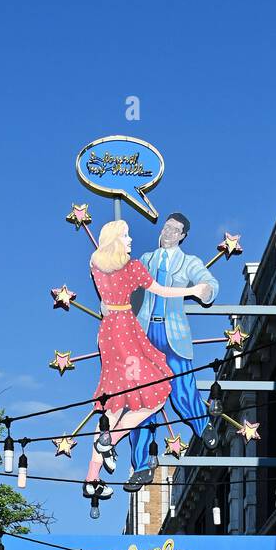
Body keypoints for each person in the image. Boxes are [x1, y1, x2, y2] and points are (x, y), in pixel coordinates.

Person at [84, 219, 212, 500]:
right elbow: (161, 291)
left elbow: (105, 301)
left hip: (109, 333)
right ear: (116, 239)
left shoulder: (96, 265)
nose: (131, 241)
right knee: (158, 390)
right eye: (127, 236)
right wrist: (191, 291)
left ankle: (91, 478)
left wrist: (204, 289)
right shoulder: (134, 267)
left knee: (113, 404)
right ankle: (113, 441)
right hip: (129, 332)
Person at [126, 213, 220, 491]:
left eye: (174, 229)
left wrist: (204, 291)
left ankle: (203, 427)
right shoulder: (145, 260)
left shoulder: (188, 263)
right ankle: (141, 466)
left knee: (183, 389)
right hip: (144, 336)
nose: (168, 232)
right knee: (143, 402)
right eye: (166, 227)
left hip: (174, 335)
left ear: (182, 236)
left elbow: (209, 284)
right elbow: (126, 288)